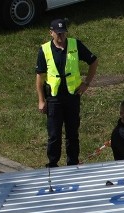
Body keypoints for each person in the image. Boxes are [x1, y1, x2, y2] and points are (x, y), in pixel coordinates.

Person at [35, 18, 98, 168]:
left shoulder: (75, 45)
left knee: (72, 134)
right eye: (58, 33)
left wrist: (86, 83)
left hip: (72, 96)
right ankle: (52, 164)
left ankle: (73, 163)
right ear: (51, 33)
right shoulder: (44, 50)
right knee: (54, 135)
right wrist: (41, 100)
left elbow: (93, 62)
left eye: (63, 33)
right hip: (54, 98)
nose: (61, 36)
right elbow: (40, 76)